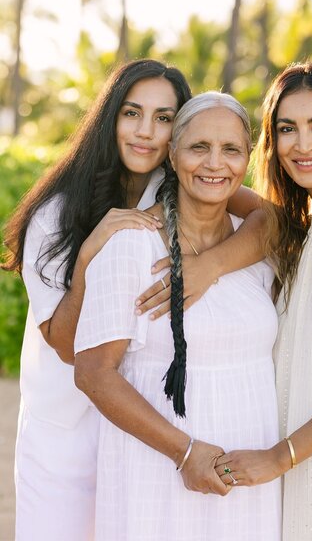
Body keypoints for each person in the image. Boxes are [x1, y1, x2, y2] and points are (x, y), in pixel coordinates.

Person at [138, 63, 312, 540]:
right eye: (287, 129)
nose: (303, 145)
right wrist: (210, 262)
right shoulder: (300, 226)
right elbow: (215, 178)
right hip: (293, 466)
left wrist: (278, 458)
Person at [73, 92, 282, 540]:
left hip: (251, 477)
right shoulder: (132, 244)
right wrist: (185, 453)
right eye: (199, 147)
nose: (215, 163)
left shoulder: (257, 249)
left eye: (231, 149)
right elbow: (93, 373)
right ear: (172, 154)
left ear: (248, 159)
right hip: (158, 472)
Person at [1, 58, 192, 541]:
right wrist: (88, 257)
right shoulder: (55, 212)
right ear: (110, 118)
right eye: (132, 113)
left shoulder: (180, 195)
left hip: (139, 424)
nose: (146, 131)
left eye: (164, 117)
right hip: (63, 434)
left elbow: (263, 220)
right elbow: (65, 346)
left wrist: (209, 266)